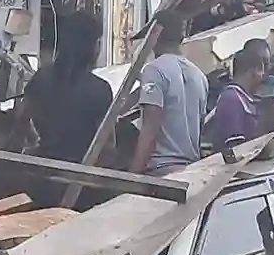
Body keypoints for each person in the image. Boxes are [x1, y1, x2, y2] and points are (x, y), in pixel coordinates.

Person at [20, 9, 112, 162]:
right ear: (94, 47)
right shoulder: (100, 89)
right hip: (81, 173)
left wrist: (34, 141)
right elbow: (108, 144)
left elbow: (21, 116)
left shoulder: (41, 78)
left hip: (43, 168)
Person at [129, 11, 206, 177]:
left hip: (161, 172)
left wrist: (132, 177)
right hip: (191, 172)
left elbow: (150, 128)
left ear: (155, 35)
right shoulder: (199, 76)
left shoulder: (154, 70)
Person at [206, 48, 263, 149]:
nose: (263, 76)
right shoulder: (231, 99)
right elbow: (235, 148)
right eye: (261, 71)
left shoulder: (245, 99)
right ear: (253, 71)